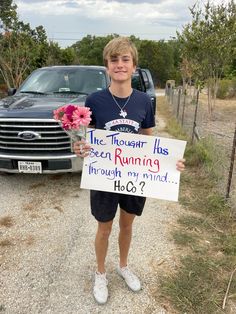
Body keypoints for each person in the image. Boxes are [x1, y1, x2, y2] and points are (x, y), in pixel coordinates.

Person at [74, 36, 185, 304]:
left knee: (127, 225)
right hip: (104, 178)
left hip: (134, 178)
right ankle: (100, 273)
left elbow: (149, 142)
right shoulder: (95, 100)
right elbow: (86, 138)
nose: (120, 64)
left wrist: (170, 164)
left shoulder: (144, 101)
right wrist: (81, 148)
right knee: (104, 228)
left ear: (134, 66)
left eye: (125, 59)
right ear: (107, 67)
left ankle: (123, 266)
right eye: (114, 60)